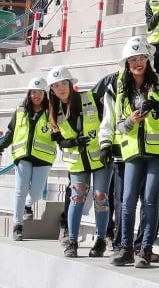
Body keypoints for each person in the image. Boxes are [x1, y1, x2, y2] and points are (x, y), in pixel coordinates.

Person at [94, 36, 159, 267]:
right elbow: (113, 121)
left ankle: (146, 249)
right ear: (127, 63)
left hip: (158, 152)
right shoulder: (117, 87)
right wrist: (128, 123)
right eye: (133, 59)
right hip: (131, 152)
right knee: (127, 200)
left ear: (148, 60)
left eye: (142, 58)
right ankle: (126, 248)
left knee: (150, 199)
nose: (138, 62)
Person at [47, 65, 115, 259]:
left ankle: (101, 240)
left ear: (70, 84)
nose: (61, 88)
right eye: (56, 85)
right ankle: (73, 241)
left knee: (101, 198)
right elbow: (58, 141)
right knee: (77, 198)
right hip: (77, 162)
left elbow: (107, 122)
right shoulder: (53, 111)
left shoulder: (91, 98)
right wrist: (73, 141)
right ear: (52, 90)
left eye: (63, 83)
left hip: (100, 157)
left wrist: (107, 146)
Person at [0, 75, 58, 242]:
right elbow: (11, 131)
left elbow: (60, 131)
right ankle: (17, 225)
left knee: (35, 193)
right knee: (20, 191)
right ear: (29, 93)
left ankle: (28, 205)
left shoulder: (53, 111)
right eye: (33, 92)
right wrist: (2, 146)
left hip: (43, 157)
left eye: (39, 92)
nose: (36, 96)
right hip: (23, 156)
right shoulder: (20, 110)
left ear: (45, 94)